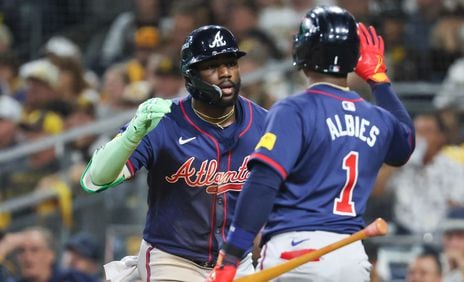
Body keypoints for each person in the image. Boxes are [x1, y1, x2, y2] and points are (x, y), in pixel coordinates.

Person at [207, 6, 415, 282]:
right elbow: (406, 145)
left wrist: (232, 254)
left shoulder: (295, 109)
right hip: (351, 256)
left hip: (298, 254)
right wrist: (379, 81)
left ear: (304, 51)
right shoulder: (377, 117)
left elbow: (263, 183)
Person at [80, 25, 267, 281]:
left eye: (231, 63)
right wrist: (131, 135)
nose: (225, 73)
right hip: (172, 259)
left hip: (235, 261)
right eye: (212, 66)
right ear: (191, 76)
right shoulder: (163, 122)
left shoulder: (263, 123)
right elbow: (95, 180)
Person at [0, 226, 97, 282]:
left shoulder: (72, 278)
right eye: (21, 251)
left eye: (35, 250)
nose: (27, 257)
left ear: (50, 254)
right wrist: (4, 246)